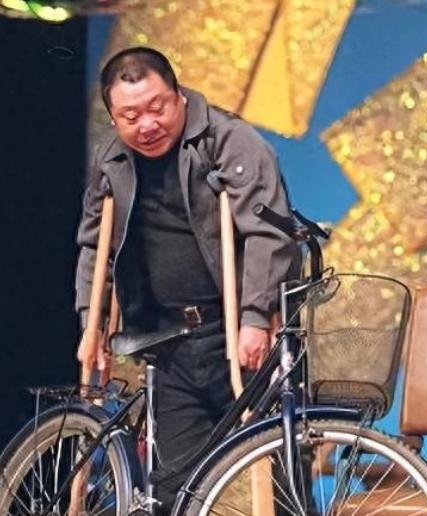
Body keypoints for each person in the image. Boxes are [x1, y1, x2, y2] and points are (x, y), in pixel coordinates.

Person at [74, 47, 298, 514]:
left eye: (156, 107)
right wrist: (90, 324)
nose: (147, 125)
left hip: (236, 333)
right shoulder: (111, 160)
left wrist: (256, 317)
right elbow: (96, 247)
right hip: (169, 342)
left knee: (277, 484)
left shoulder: (229, 140)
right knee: (175, 492)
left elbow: (268, 233)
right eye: (130, 116)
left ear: (178, 95)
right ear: (114, 118)